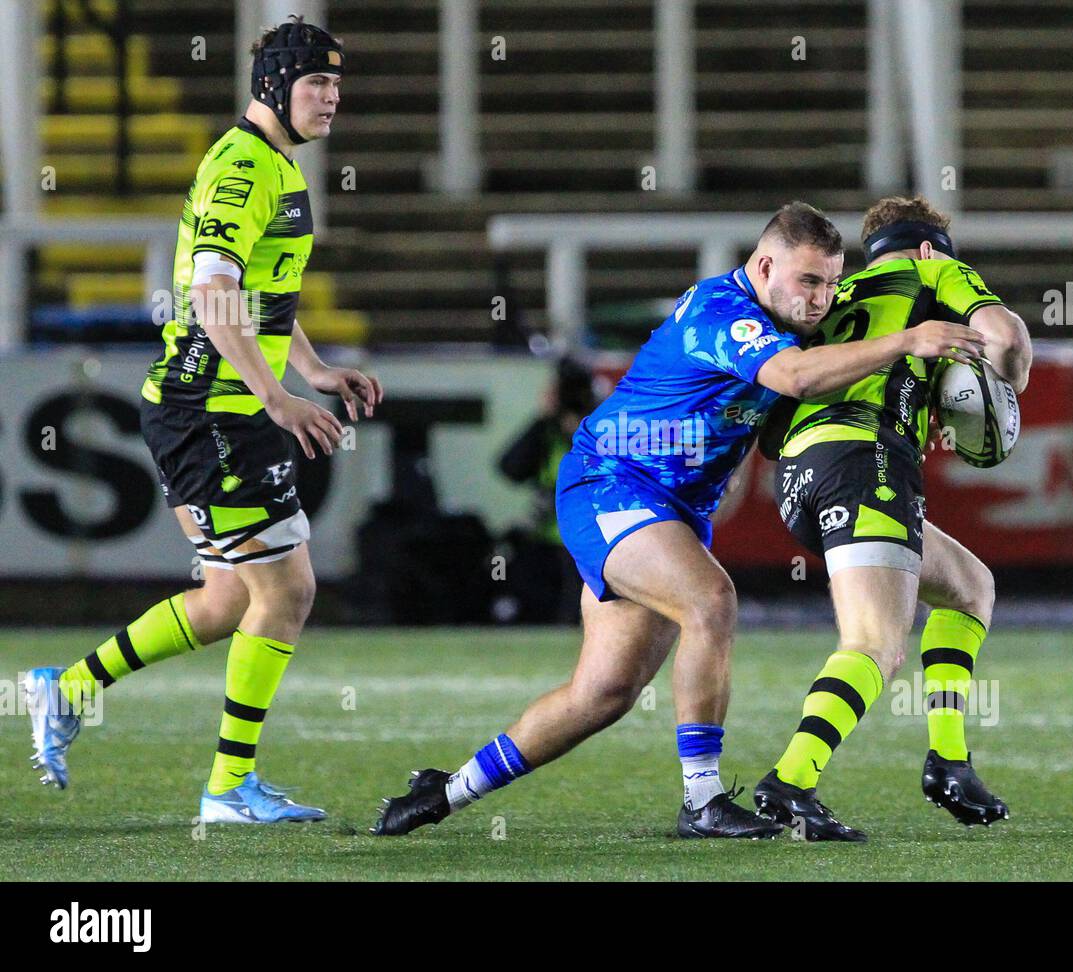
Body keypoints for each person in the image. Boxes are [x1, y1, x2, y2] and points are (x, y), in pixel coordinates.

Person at [371, 201, 984, 839]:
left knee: (602, 694)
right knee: (710, 600)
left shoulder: (785, 323)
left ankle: (446, 790)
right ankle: (703, 800)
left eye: (831, 283)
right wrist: (908, 340)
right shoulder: (725, 313)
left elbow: (786, 414)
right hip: (611, 482)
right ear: (766, 265)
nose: (822, 299)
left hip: (669, 509)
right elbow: (797, 381)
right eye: (809, 281)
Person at [24, 17, 382, 824]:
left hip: (216, 411)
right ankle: (227, 788)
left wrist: (314, 370)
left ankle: (68, 687)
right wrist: (276, 398)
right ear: (273, 87)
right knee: (287, 590)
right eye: (316, 83)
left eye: (336, 85)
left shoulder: (278, 167)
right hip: (210, 414)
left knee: (228, 599)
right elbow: (216, 296)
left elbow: (262, 301)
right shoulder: (240, 170)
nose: (331, 98)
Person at [753, 196, 1032, 840]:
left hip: (799, 477)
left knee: (969, 587)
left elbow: (770, 423)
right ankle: (791, 781)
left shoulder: (833, 293)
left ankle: (950, 762)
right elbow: (1009, 341)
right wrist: (1003, 383)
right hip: (866, 462)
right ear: (931, 246)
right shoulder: (933, 271)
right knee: (876, 643)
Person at [496, 358, 596, 623]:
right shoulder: (546, 430)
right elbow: (510, 469)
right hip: (548, 538)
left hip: (594, 537)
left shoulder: (603, 427)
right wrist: (542, 419)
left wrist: (593, 419)